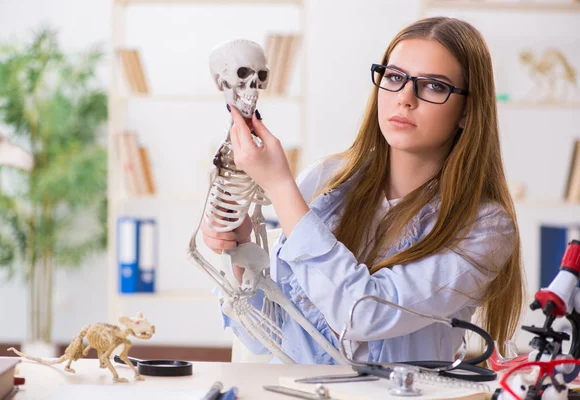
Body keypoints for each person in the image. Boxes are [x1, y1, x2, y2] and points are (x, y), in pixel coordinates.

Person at [200, 16, 524, 364]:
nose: (405, 98)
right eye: (395, 77)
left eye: (433, 86)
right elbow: (266, 333)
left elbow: (362, 313)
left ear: (467, 110)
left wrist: (279, 186)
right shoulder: (329, 179)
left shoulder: (485, 227)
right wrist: (243, 251)